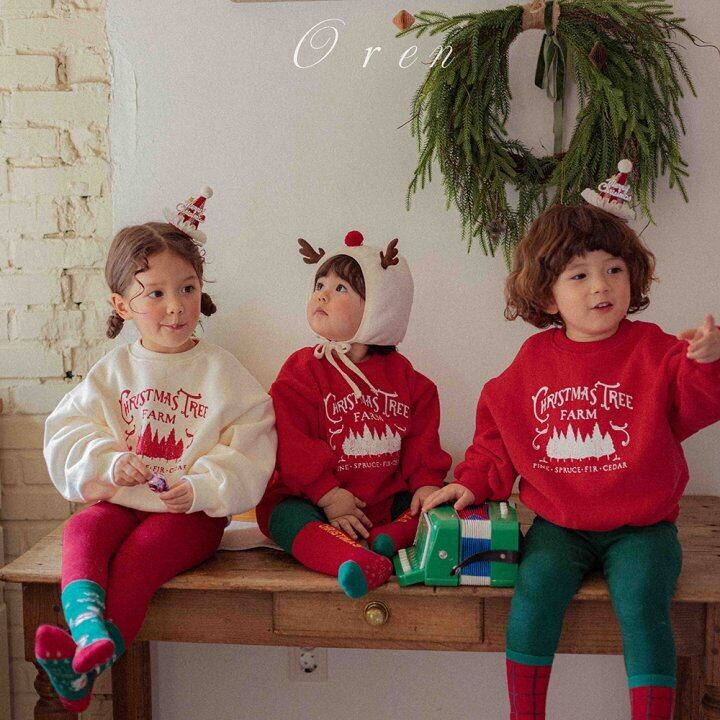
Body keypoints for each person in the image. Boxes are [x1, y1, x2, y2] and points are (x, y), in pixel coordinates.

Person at [423, 180, 720, 720]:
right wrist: (472, 482)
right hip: (560, 526)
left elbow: (700, 404)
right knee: (534, 591)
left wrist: (707, 362)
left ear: (632, 276)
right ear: (546, 296)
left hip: (643, 527)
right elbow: (498, 432)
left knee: (643, 603)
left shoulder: (656, 350)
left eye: (614, 269)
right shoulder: (532, 361)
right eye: (578, 275)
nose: (600, 286)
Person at [35, 189, 277, 711]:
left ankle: (86, 667)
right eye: (156, 293)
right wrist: (108, 461)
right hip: (123, 502)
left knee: (143, 555)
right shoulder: (114, 371)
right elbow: (68, 428)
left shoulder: (221, 371)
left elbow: (252, 441)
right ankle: (88, 631)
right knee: (82, 530)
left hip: (189, 517)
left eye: (187, 288)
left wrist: (201, 486)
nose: (175, 306)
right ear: (122, 305)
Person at [256, 231, 452, 598]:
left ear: (380, 306)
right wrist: (327, 495)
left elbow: (421, 437)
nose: (322, 294)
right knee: (281, 516)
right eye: (320, 285)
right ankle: (353, 560)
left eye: (341, 288)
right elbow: (291, 442)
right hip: (311, 498)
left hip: (383, 499)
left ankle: (388, 538)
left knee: (431, 505)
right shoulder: (302, 370)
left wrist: (426, 481)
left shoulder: (406, 378)